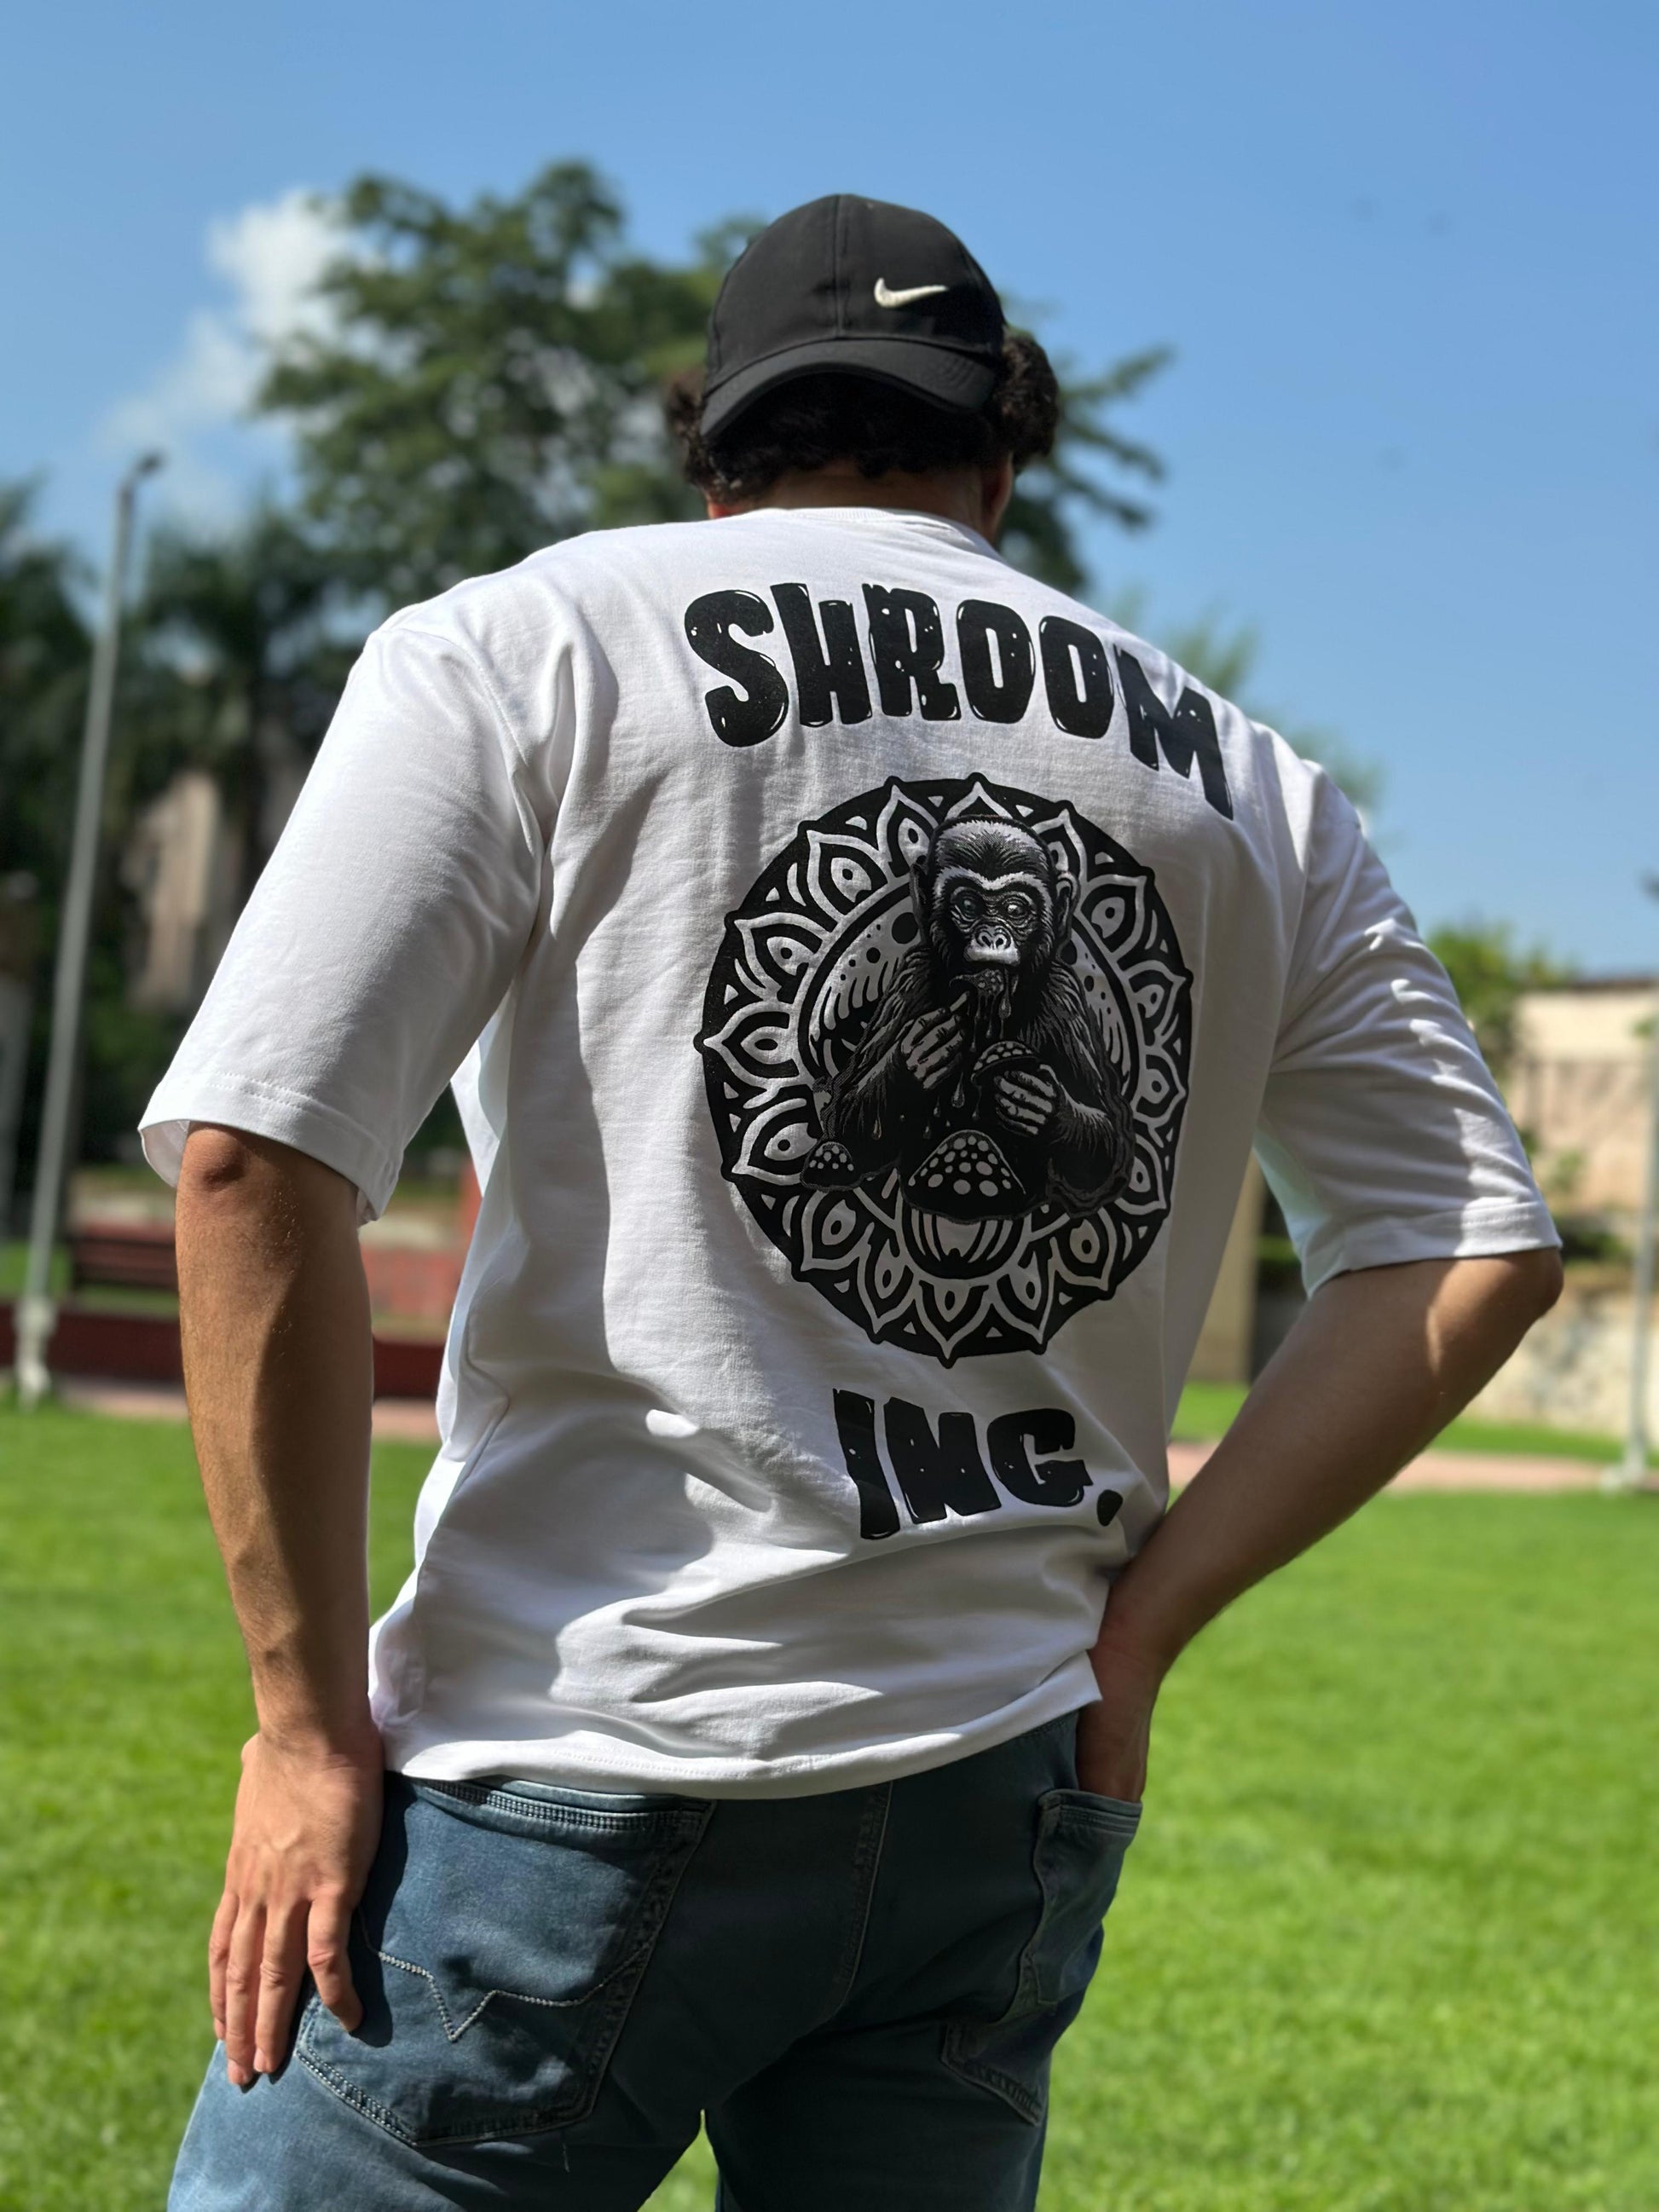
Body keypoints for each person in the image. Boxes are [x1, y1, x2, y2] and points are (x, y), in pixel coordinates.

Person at [147, 194, 1561, 2212]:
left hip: (584, 1749)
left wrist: (301, 1730)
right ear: (1002, 462)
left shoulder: (530, 644)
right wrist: (1143, 1626)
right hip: (1001, 1780)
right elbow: (1472, 1243)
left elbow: (251, 1157)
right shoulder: (1253, 782)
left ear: (716, 455)